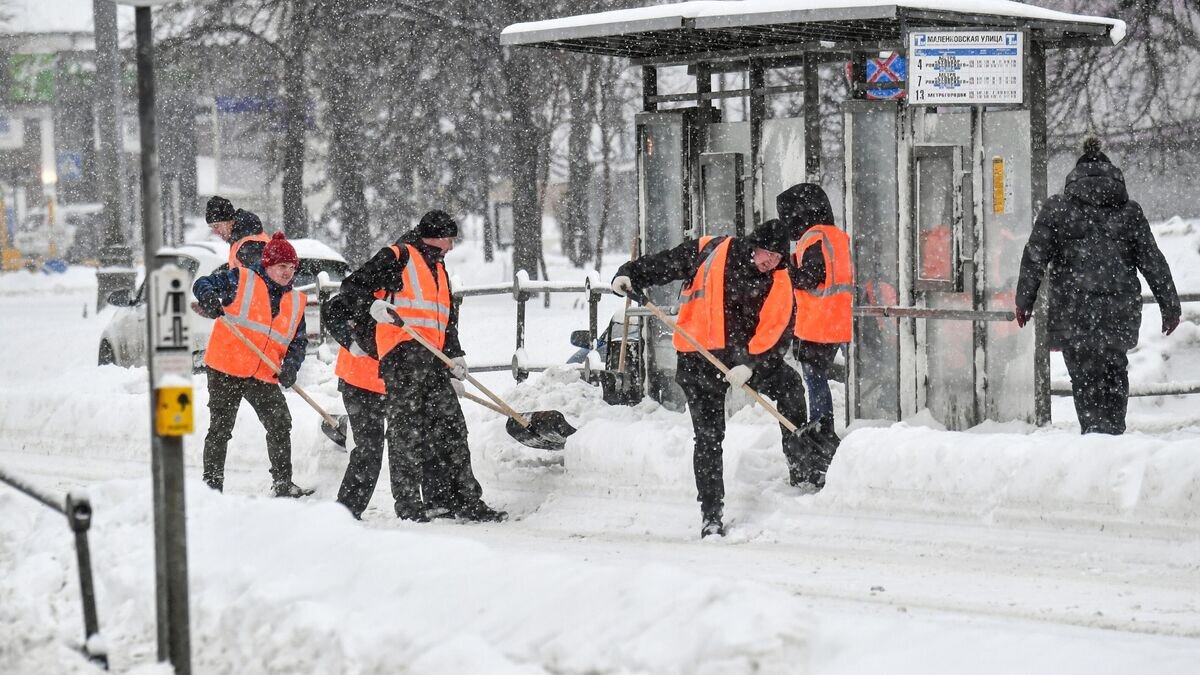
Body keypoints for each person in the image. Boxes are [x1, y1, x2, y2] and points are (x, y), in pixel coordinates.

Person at [611, 220, 804, 537]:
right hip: (698, 357)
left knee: (791, 387)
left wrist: (751, 365)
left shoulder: (779, 278)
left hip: (745, 357)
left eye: (778, 258)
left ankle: (802, 468)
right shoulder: (710, 250)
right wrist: (629, 274)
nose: (771, 262)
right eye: (767, 254)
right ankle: (711, 513)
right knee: (710, 438)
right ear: (753, 244)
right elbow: (666, 263)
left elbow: (777, 328)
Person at [338, 210, 505, 522]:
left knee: (452, 428)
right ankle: (409, 504)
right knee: (406, 433)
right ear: (434, 237)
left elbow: (445, 321)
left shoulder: (440, 270)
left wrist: (455, 355)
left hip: (433, 361)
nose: (452, 247)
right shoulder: (397, 256)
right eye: (449, 240)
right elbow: (351, 288)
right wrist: (372, 306)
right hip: (401, 357)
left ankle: (464, 499)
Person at [1015, 137, 1181, 435]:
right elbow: (1153, 261)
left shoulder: (1057, 209)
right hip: (1118, 313)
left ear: (1074, 176)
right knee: (1115, 371)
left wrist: (1024, 301)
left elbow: (1034, 257)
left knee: (1083, 376)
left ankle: (1093, 434)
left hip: (1073, 312)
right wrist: (1170, 306)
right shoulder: (1130, 212)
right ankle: (1113, 431)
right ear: (1113, 175)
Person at [192, 232, 313, 497]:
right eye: (282, 266)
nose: (287, 273)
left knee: (280, 422)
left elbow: (298, 342)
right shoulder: (241, 279)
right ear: (268, 264)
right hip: (226, 367)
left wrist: (291, 366)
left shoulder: (295, 301)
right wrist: (209, 297)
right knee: (221, 428)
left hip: (263, 372)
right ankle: (211, 487)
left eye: (292, 268)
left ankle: (282, 482)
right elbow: (202, 283)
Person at [777, 183, 854, 460]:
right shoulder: (838, 236)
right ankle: (826, 429)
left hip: (816, 323)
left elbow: (810, 277)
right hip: (839, 320)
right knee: (825, 378)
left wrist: (787, 271)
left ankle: (822, 431)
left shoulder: (813, 238)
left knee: (815, 380)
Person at [205, 195, 270, 269]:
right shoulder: (241, 238)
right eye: (212, 228)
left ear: (230, 222)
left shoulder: (250, 245)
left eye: (216, 226)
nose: (215, 232)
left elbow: (254, 277)